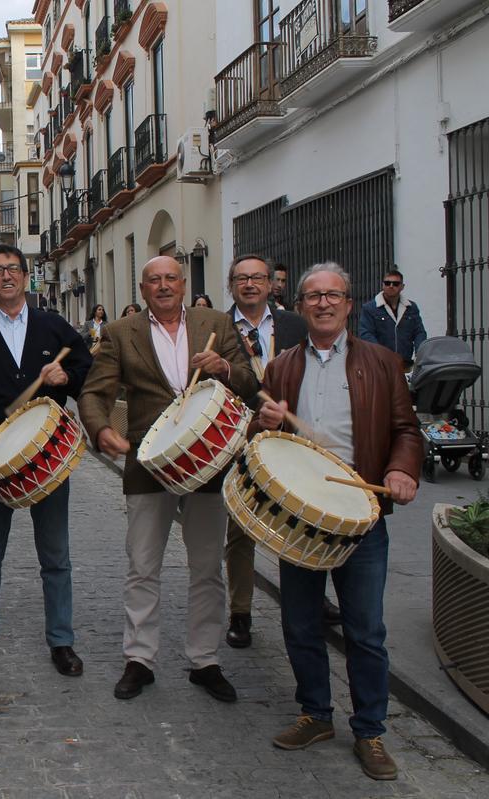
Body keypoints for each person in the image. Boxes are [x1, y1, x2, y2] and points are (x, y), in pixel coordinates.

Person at [255, 262, 422, 781]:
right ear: (300, 307)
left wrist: (400, 469)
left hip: (361, 516)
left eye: (333, 296)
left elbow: (406, 430)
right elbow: (262, 440)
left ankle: (370, 732)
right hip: (300, 514)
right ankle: (316, 714)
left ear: (350, 304)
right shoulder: (281, 366)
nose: (323, 304)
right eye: (313, 296)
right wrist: (264, 424)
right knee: (300, 623)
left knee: (365, 631)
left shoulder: (383, 361)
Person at [78, 256, 258, 703]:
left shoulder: (214, 322)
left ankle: (205, 660)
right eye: (154, 280)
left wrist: (223, 369)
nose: (163, 286)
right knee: (142, 566)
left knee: (207, 568)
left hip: (208, 461)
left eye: (171, 279)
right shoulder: (122, 333)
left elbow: (251, 384)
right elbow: (94, 391)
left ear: (183, 284)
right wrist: (101, 430)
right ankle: (139, 658)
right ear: (142, 289)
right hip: (148, 461)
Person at [0, 244, 93, 679]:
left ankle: (61, 642)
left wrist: (69, 377)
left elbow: (88, 369)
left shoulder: (54, 327)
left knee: (55, 556)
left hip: (47, 457)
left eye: (12, 269)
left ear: (26, 277)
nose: (5, 276)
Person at [222, 254, 309, 650]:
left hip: (293, 440)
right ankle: (240, 611)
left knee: (298, 520)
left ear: (271, 282)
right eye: (242, 278)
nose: (251, 284)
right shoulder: (218, 327)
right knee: (240, 530)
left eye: (258, 277)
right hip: (242, 438)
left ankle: (309, 600)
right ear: (232, 285)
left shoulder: (295, 325)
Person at [358, 268, 428, 368]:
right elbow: (366, 334)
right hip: (379, 365)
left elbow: (419, 332)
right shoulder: (369, 308)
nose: (391, 286)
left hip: (405, 364)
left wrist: (420, 354)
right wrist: (381, 355)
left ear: (402, 287)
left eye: (395, 284)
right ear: (382, 285)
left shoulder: (411, 307)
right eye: (387, 283)